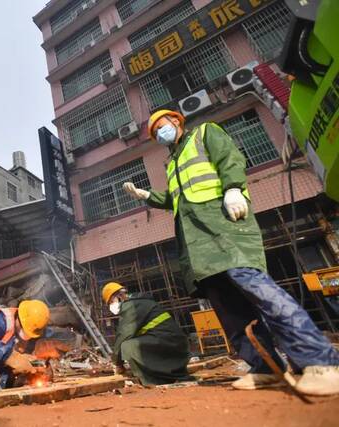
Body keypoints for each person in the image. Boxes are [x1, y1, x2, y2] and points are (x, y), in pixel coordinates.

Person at [122, 109, 339, 395]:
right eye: (154, 133)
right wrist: (147, 196)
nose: (159, 133)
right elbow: (178, 199)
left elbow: (229, 158)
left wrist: (234, 188)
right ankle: (265, 370)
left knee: (260, 292)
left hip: (225, 227)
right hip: (198, 244)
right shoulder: (172, 162)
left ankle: (320, 362)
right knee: (229, 308)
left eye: (161, 126)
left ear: (176, 121)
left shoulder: (204, 133)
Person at [103, 282, 192, 385]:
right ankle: (163, 374)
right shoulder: (140, 302)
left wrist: (117, 363)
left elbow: (124, 335)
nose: (111, 306)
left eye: (110, 302)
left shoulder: (131, 306)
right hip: (173, 343)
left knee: (127, 346)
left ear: (117, 296)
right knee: (132, 342)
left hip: (169, 343)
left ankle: (150, 380)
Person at [0, 300, 50, 394]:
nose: (27, 335)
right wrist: (10, 357)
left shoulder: (33, 325)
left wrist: (32, 362)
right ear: (19, 317)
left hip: (3, 371)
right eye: (25, 329)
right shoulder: (0, 319)